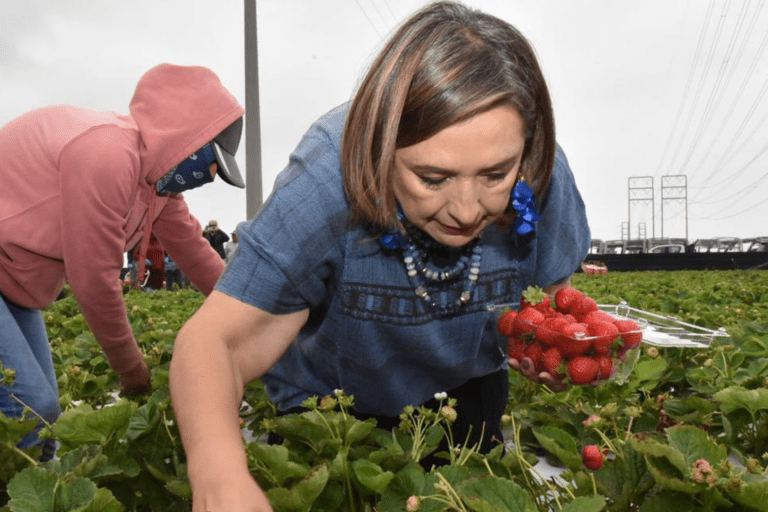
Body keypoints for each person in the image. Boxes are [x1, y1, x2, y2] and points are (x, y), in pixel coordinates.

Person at [169, 2, 590, 511]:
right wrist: (219, 474)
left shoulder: (540, 171)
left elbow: (548, 301)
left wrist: (545, 344)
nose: (464, 209)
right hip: (333, 411)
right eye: (432, 178)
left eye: (494, 176)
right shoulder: (330, 178)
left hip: (467, 397)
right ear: (381, 146)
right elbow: (215, 341)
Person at [0, 63, 246, 460]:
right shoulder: (107, 155)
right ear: (184, 140)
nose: (214, 175)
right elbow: (93, 279)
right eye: (213, 159)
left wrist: (253, 314)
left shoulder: (157, 189)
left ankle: (40, 494)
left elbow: (197, 255)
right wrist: (131, 370)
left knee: (45, 418)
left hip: (15, 286)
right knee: (28, 410)